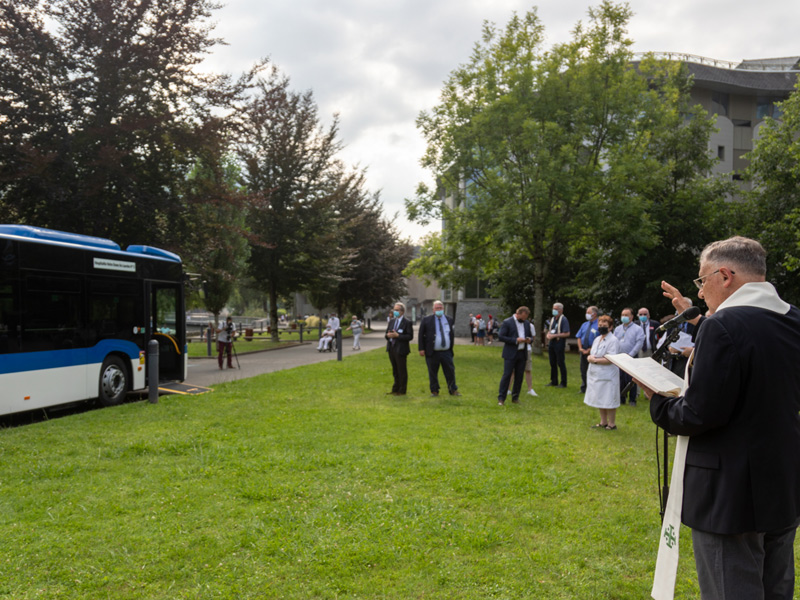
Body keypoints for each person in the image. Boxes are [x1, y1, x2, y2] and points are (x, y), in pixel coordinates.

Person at [641, 236, 800, 600]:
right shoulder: (792, 319)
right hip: (782, 480)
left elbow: (698, 414)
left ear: (725, 276)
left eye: (702, 280)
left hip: (729, 492)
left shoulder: (724, 326)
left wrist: (658, 401)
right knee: (775, 588)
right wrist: (700, 319)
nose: (699, 292)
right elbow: (750, 350)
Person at [584, 315, 621, 430]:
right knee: (600, 397)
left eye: (604, 325)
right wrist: (590, 357)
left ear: (610, 327)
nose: (601, 327)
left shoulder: (613, 340)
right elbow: (593, 353)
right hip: (596, 374)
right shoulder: (597, 339)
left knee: (609, 398)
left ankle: (612, 424)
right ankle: (603, 422)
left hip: (608, 374)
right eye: (600, 325)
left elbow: (611, 358)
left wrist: (595, 360)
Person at [417, 300, 460, 397]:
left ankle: (452, 389)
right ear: (433, 310)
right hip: (432, 352)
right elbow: (421, 335)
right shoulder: (426, 320)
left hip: (446, 352)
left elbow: (451, 334)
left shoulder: (449, 319)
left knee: (450, 371)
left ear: (443, 309)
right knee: (432, 372)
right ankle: (434, 391)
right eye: (437, 308)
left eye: (440, 308)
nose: (439, 310)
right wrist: (421, 348)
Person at [497, 306, 534, 405]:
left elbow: (531, 336)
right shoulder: (507, 322)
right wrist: (515, 340)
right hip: (510, 353)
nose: (524, 320)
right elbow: (501, 336)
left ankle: (515, 397)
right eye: (522, 318)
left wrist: (529, 340)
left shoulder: (527, 323)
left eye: (525, 318)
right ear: (518, 314)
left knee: (519, 376)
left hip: (522, 353)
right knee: (507, 375)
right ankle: (501, 398)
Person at [613, 307, 644, 405]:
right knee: (620, 379)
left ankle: (632, 399)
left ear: (632, 316)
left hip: (631, 357)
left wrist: (630, 354)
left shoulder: (638, 329)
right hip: (619, 358)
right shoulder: (618, 329)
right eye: (622, 315)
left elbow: (639, 343)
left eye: (626, 315)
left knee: (631, 379)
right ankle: (621, 398)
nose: (624, 317)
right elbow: (614, 342)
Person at [385, 302, 413, 396]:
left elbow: (409, 336)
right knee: (395, 370)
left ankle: (402, 390)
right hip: (391, 348)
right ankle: (395, 388)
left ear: (402, 311)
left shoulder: (407, 322)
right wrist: (388, 335)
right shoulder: (392, 321)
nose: (395, 312)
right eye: (394, 310)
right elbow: (386, 334)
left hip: (401, 349)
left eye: (397, 310)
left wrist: (398, 336)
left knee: (401, 370)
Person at [545, 302, 570, 387]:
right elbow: (550, 330)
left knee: (560, 362)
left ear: (561, 310)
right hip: (552, 343)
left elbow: (567, 333)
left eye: (556, 309)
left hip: (559, 342)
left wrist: (555, 335)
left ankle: (563, 382)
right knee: (552, 362)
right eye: (553, 309)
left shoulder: (564, 320)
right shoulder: (553, 319)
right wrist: (548, 335)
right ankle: (554, 381)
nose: (554, 310)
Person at [576, 306, 599, 394]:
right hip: (583, 349)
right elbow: (579, 336)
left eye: (588, 313)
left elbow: (599, 339)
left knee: (593, 370)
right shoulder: (584, 324)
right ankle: (584, 387)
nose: (586, 314)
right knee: (583, 370)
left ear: (594, 314)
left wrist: (591, 349)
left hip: (593, 350)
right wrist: (580, 348)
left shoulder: (599, 325)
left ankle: (593, 388)